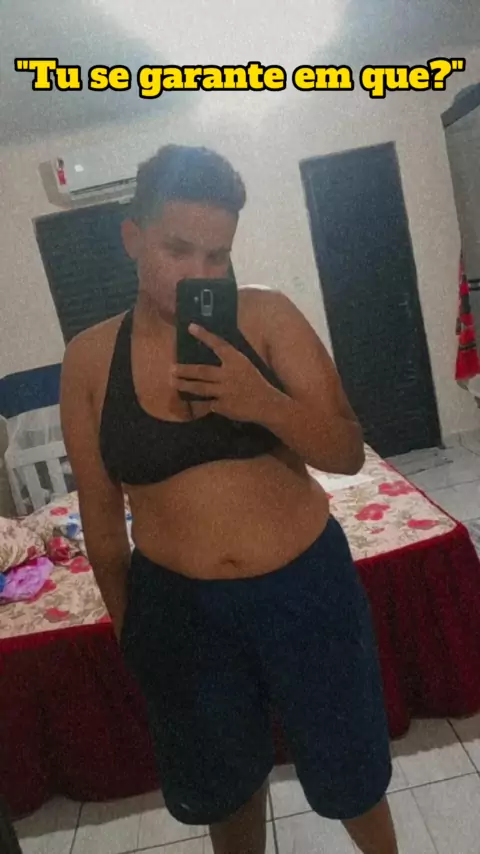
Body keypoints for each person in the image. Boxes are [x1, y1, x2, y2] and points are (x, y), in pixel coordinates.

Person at [60, 144, 398, 854]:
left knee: (352, 776)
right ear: (132, 237)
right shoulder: (90, 359)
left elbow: (346, 451)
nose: (201, 274)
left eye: (218, 256)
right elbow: (101, 514)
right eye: (178, 250)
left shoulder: (268, 318)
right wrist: (130, 628)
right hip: (181, 611)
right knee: (226, 790)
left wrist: (262, 401)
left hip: (306, 590)